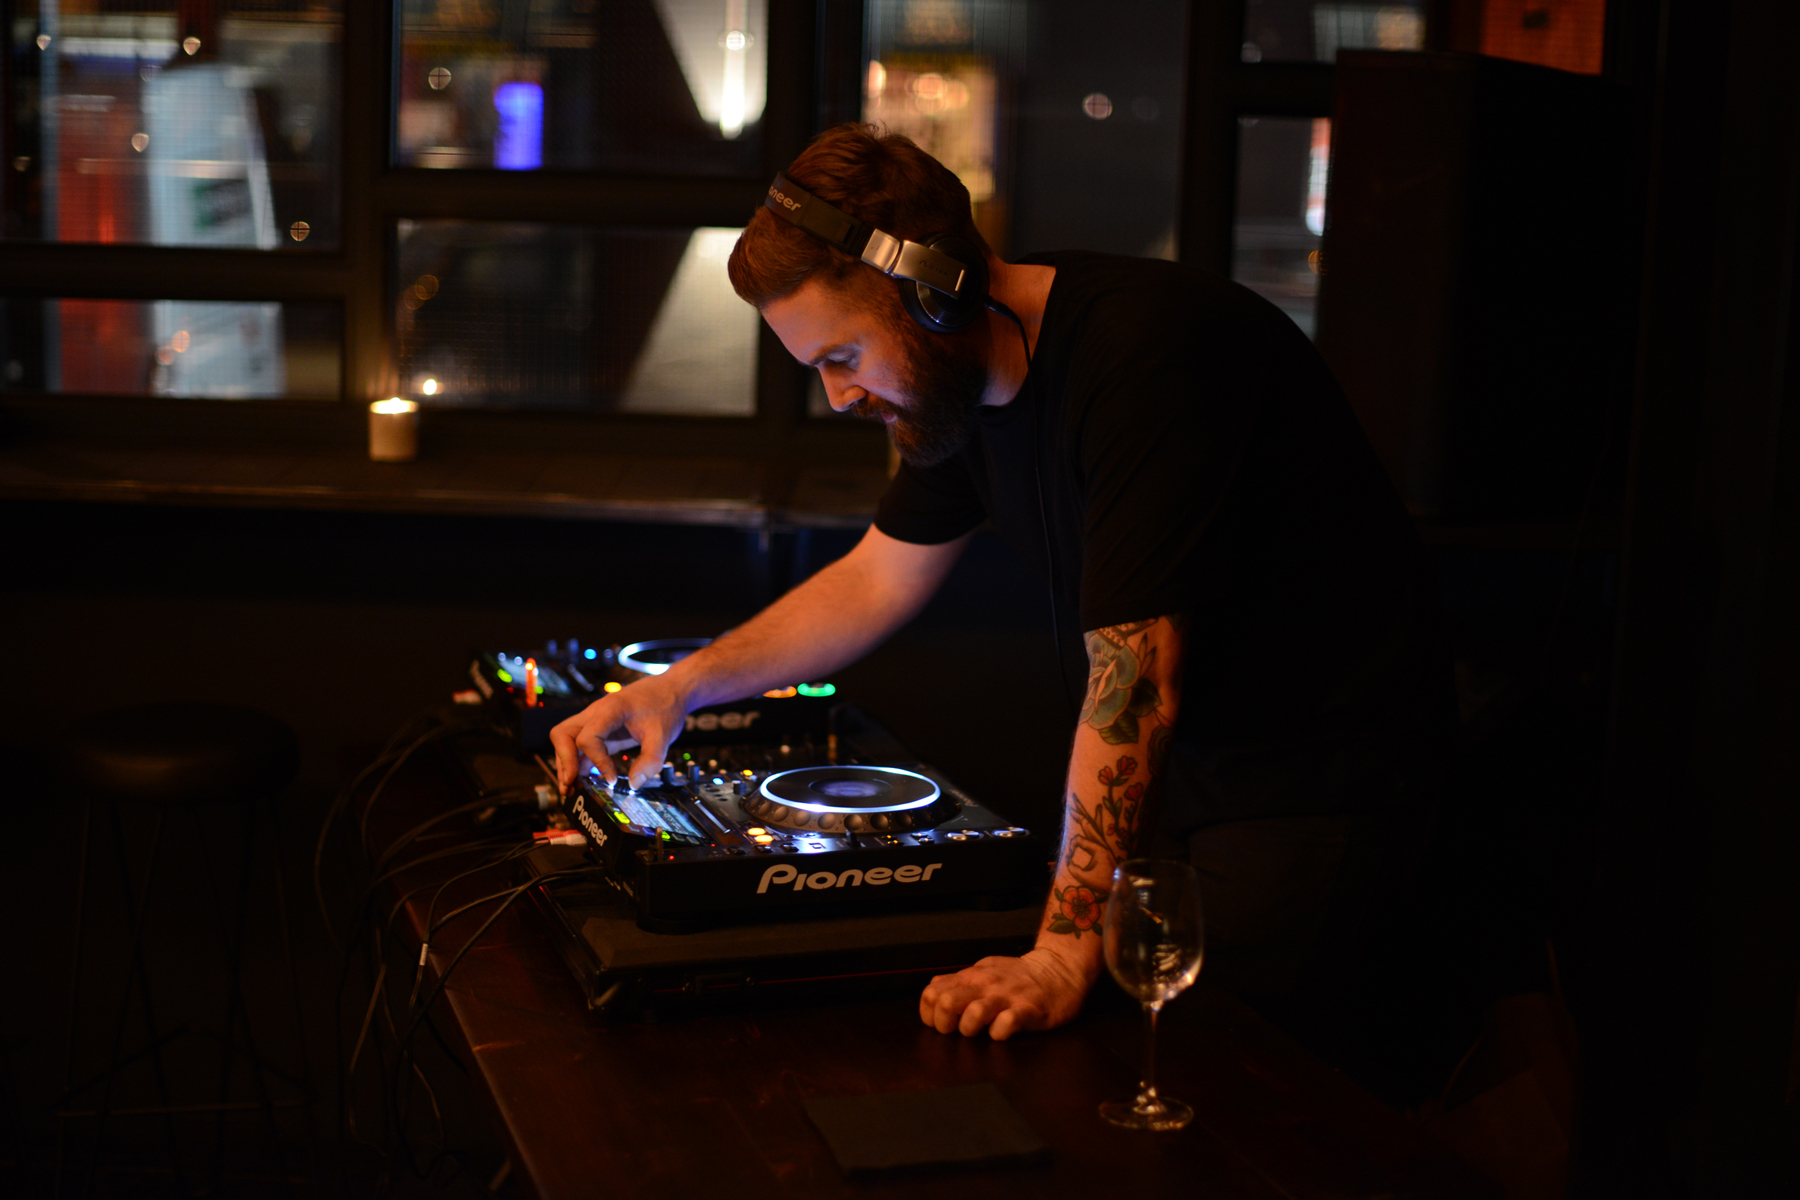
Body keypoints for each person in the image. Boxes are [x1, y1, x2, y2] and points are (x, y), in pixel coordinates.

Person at [551, 124, 1459, 1097]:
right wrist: (676, 692)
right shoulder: (956, 397)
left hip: (1322, 798)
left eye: (845, 355)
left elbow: (1134, 682)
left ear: (936, 296)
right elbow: (877, 578)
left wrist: (1063, 950)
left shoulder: (1147, 358)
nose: (839, 395)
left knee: (1244, 1104)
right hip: (1198, 795)